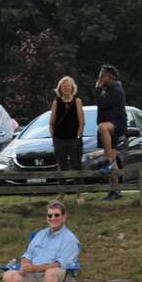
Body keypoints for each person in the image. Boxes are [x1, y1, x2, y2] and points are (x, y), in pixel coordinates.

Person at [2, 201, 80, 282]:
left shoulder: (70, 239)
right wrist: (25, 265)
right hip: (35, 275)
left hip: (63, 277)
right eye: (50, 215)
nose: (53, 218)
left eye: (57, 215)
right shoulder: (40, 234)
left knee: (51, 272)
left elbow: (61, 264)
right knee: (8, 276)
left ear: (64, 217)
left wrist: (37, 268)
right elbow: (27, 255)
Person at [49, 76, 85, 205]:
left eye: (68, 85)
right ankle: (61, 194)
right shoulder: (56, 102)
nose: (66, 88)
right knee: (61, 167)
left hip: (74, 139)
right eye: (64, 86)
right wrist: (54, 138)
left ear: (72, 88)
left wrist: (78, 137)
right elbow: (51, 123)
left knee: (76, 166)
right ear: (60, 88)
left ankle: (79, 194)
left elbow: (82, 123)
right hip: (59, 139)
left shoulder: (77, 101)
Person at [94, 64, 127, 201]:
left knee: (102, 127)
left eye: (102, 75)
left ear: (110, 77)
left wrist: (97, 89)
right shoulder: (107, 89)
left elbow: (102, 104)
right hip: (109, 127)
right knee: (112, 155)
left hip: (117, 124)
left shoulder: (116, 89)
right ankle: (115, 191)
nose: (100, 78)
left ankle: (108, 161)